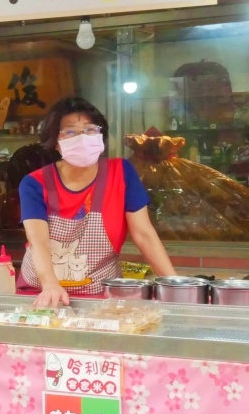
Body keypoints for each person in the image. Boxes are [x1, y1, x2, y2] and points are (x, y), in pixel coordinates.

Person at [18, 97, 176, 307]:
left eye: (90, 130)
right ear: (56, 142)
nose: (82, 137)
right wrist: (50, 285)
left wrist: (175, 286)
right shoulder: (34, 184)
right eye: (71, 131)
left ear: (100, 135)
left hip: (102, 295)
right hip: (43, 292)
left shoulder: (121, 173)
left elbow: (143, 234)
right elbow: (39, 241)